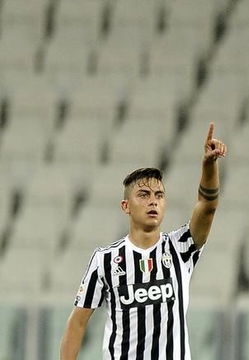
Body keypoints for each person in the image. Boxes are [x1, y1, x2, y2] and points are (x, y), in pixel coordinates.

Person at [60, 122, 227, 360]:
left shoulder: (181, 247)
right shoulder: (105, 259)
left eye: (159, 195)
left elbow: (208, 206)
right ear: (125, 206)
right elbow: (77, 322)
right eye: (144, 195)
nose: (153, 201)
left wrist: (209, 165)